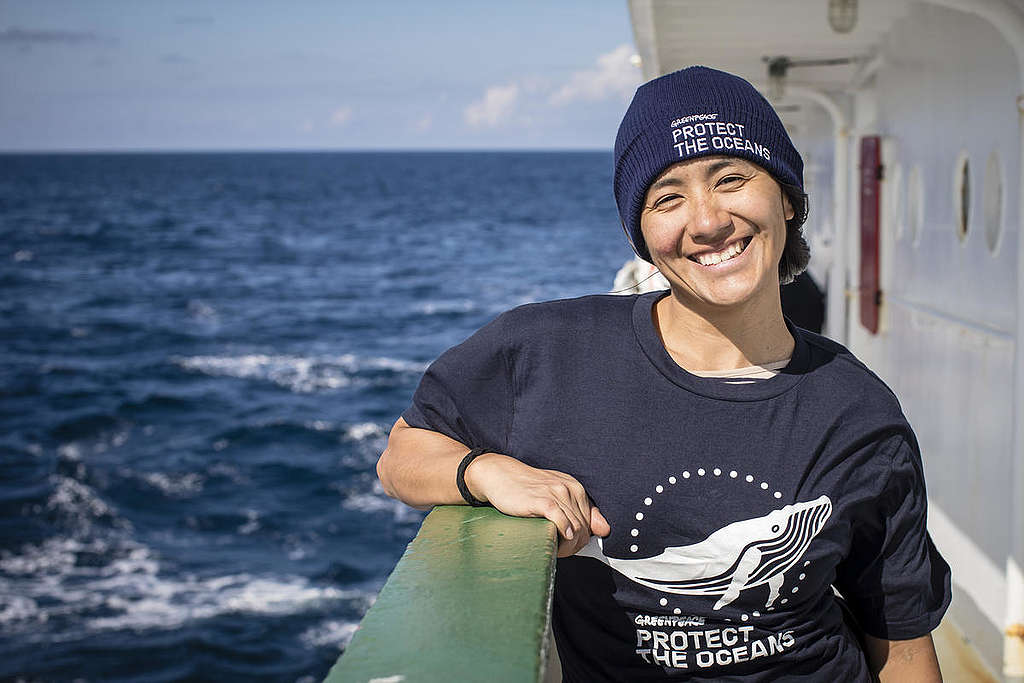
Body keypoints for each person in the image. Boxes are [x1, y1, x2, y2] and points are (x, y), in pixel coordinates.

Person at [377, 66, 950, 681]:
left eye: (731, 179)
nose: (705, 222)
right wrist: (485, 471)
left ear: (786, 198)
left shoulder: (858, 411)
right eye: (668, 198)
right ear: (643, 234)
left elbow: (902, 642)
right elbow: (402, 456)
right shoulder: (545, 351)